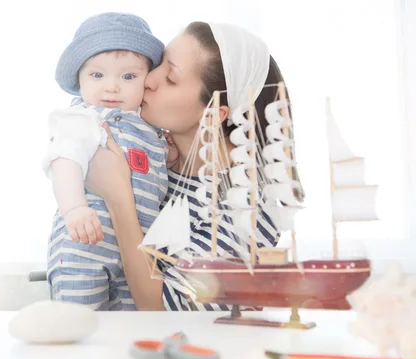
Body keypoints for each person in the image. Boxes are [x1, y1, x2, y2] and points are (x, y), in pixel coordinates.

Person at [84, 21, 305, 311]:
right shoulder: (154, 158)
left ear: (213, 114)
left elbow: (166, 309)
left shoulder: (248, 203)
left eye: (171, 78)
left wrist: (118, 201)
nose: (148, 79)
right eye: (160, 64)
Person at [42, 12, 168, 310]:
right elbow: (65, 160)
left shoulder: (151, 129)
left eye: (128, 76)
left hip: (135, 252)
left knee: (126, 329)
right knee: (80, 322)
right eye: (97, 75)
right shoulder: (84, 118)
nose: (111, 87)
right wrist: (74, 208)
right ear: (79, 79)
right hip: (85, 242)